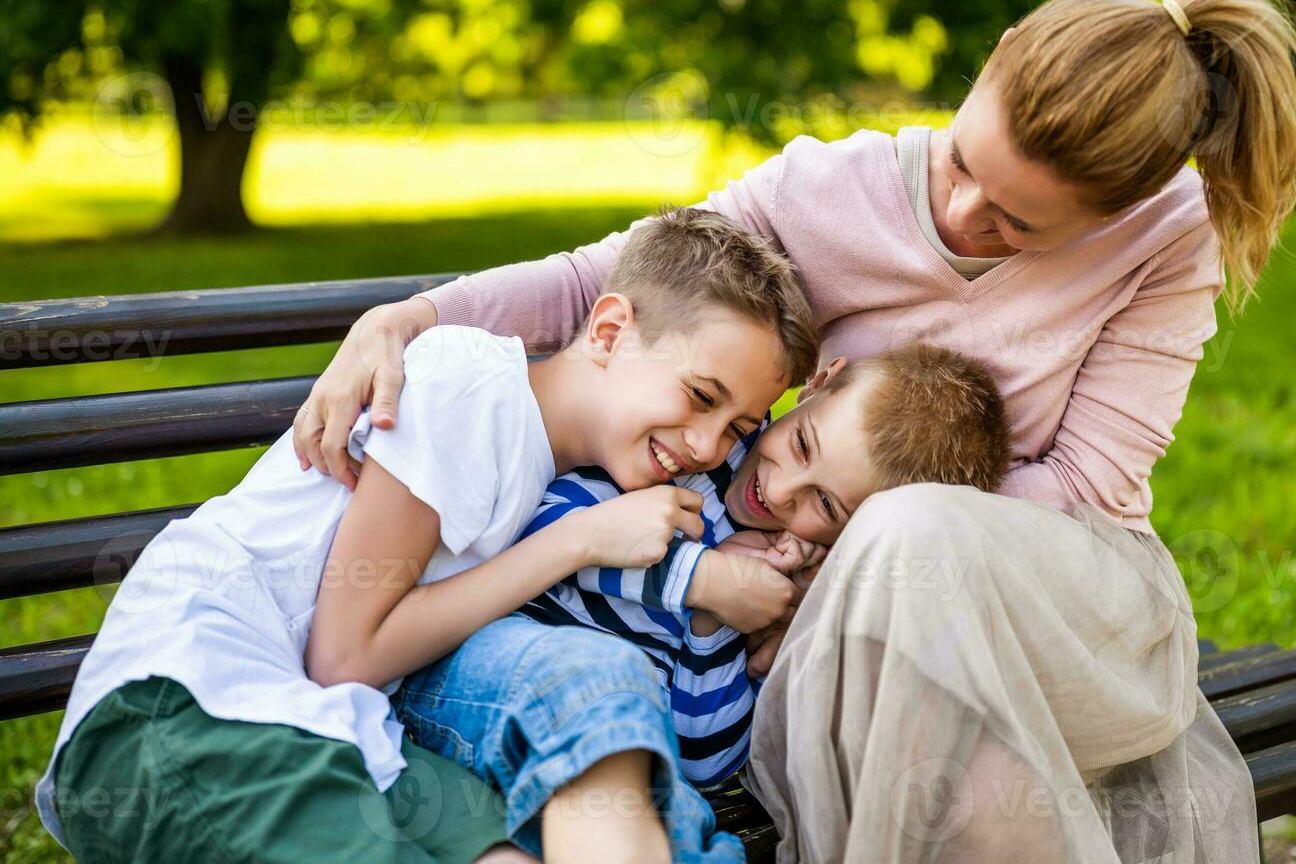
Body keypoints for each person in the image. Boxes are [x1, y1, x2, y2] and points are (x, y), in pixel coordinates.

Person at [295, 0, 1296, 862]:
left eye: (1017, 224)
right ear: (994, 59)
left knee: (909, 524)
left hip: (1055, 594)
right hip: (833, 614)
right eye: (964, 166)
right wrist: (408, 316)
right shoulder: (827, 191)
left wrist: (844, 569)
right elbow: (604, 284)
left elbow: (1089, 485)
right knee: (963, 796)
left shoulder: (1166, 237)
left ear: (1113, 213)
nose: (967, 215)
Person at [36, 207, 817, 864]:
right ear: (608, 332)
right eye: (699, 396)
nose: (710, 447)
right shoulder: (470, 386)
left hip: (344, 731)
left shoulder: (551, 459)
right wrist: (579, 541)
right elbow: (344, 654)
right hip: (186, 709)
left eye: (739, 428)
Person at [391, 343, 1009, 863]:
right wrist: (701, 578)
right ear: (821, 384)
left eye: (826, 505)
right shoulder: (696, 453)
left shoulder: (778, 581)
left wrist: (714, 624)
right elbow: (545, 526)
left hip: (623, 750)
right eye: (800, 446)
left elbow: (705, 757)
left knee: (689, 827)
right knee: (607, 698)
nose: (781, 490)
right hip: (490, 677)